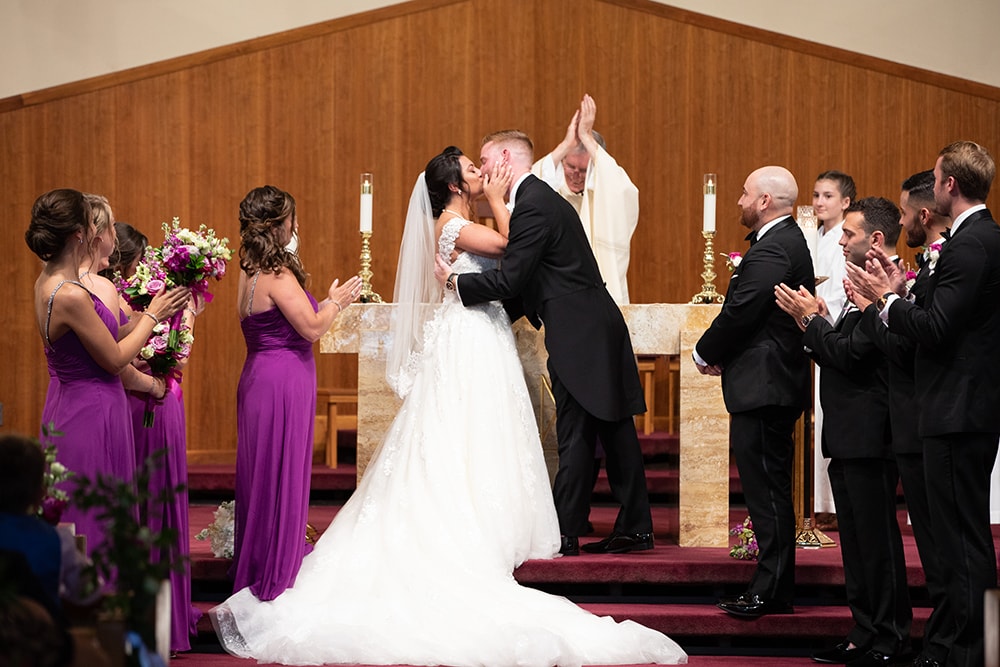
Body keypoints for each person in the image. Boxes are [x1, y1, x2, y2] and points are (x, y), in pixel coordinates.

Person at [211, 148, 686, 666]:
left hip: (478, 329)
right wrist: (503, 200)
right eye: (471, 168)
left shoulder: (460, 218)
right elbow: (510, 247)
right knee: (467, 427)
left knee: (478, 429)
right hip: (469, 335)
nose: (480, 173)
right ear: (455, 186)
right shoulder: (454, 224)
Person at [435, 131, 653, 557]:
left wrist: (458, 285)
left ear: (503, 158)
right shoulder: (537, 198)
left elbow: (512, 277)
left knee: (577, 431)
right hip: (591, 325)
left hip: (583, 333)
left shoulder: (533, 203)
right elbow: (529, 278)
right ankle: (635, 527)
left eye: (483, 159)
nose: (480, 169)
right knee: (612, 430)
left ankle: (566, 533)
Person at [845, 141, 1000, 667]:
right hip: (955, 408)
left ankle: (976, 652)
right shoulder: (971, 240)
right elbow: (940, 321)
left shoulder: (972, 243)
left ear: (949, 186)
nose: (931, 188)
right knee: (959, 541)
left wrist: (886, 302)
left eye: (935, 179)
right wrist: (901, 296)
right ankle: (965, 647)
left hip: (959, 411)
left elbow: (937, 330)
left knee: (963, 542)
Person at [776, 198, 911, 666]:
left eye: (848, 233)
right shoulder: (860, 288)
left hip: (873, 434)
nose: (840, 239)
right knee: (856, 544)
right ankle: (865, 631)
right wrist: (820, 321)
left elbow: (852, 355)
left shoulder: (886, 289)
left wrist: (810, 320)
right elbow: (847, 345)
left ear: (874, 239)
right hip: (851, 432)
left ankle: (890, 637)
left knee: (876, 543)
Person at [26, 188, 189, 557]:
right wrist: (153, 316)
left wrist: (143, 319)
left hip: (79, 404)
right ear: (80, 233)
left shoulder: (48, 280)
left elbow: (105, 336)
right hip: (90, 411)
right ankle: (95, 604)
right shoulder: (68, 294)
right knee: (93, 519)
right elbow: (115, 360)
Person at [230, 185, 362, 603]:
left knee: (264, 475)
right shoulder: (277, 275)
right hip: (283, 380)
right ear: (278, 225)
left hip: (260, 377)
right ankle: (276, 574)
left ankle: (260, 562)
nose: (297, 225)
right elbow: (311, 328)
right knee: (280, 471)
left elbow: (290, 319)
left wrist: (320, 304)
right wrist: (336, 302)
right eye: (292, 219)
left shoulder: (250, 270)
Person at [693, 166, 814, 618]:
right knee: (767, 492)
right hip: (767, 383)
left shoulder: (776, 246)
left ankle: (770, 590)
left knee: (767, 493)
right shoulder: (780, 243)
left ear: (764, 201)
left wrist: (704, 352)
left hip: (767, 386)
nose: (739, 202)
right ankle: (773, 587)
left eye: (744, 194)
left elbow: (742, 310)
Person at [852, 171, 952, 666]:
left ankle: (969, 648)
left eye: (907, 211)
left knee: (955, 549)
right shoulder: (928, 266)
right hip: (922, 421)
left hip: (936, 418)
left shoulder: (960, 258)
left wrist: (882, 304)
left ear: (925, 212)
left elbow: (912, 346)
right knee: (942, 552)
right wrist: (890, 301)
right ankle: (945, 646)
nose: (903, 219)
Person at [101, 221, 201, 654]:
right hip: (138, 400)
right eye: (141, 261)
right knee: (147, 507)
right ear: (126, 264)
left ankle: (165, 620)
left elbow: (176, 353)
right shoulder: (111, 301)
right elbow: (119, 356)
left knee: (155, 505)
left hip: (158, 403)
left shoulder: (134, 300)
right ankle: (151, 623)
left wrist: (186, 320)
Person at [531, 94, 639, 305]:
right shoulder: (551, 189)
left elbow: (625, 191)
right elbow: (528, 187)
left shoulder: (606, 191)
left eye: (583, 170)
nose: (575, 175)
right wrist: (565, 145)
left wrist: (587, 138)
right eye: (570, 167)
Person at [809, 171, 856, 531]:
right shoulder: (811, 235)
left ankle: (833, 505)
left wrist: (823, 307)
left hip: (833, 328)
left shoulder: (845, 240)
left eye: (828, 196)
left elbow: (844, 289)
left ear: (845, 202)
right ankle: (815, 502)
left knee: (827, 419)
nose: (819, 202)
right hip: (811, 330)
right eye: (816, 195)